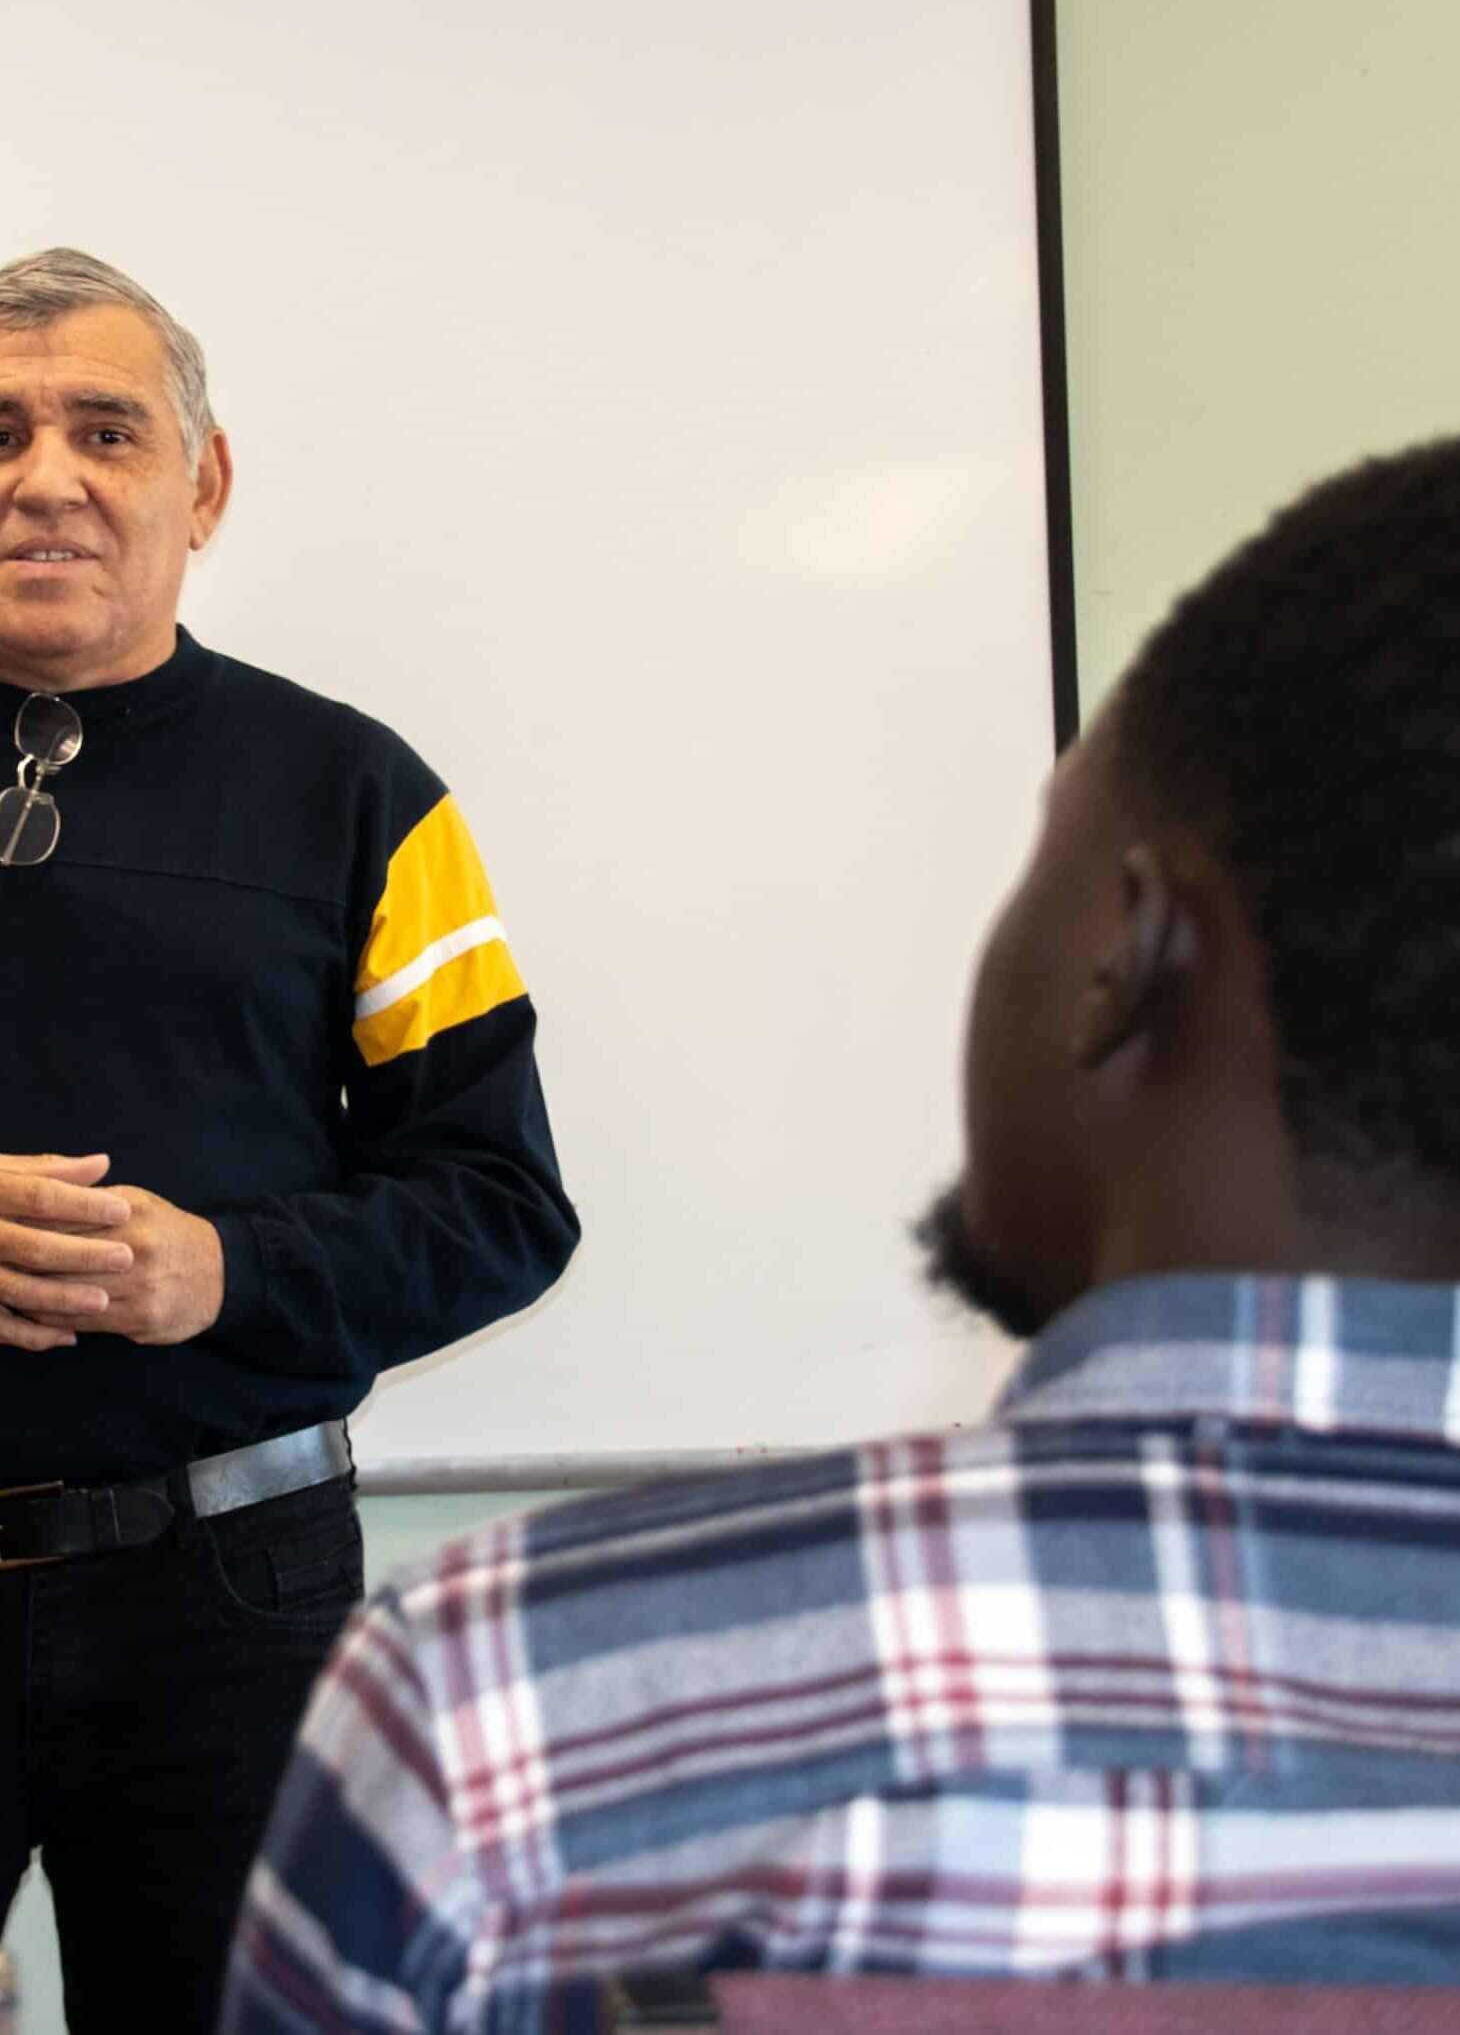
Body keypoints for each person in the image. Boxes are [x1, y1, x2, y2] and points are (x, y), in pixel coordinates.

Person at [223, 436, 1460, 2035]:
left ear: (1127, 954)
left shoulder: (515, 1710)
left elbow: (493, 1194)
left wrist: (234, 1271)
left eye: (1043, 851)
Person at [0, 248, 579, 2033]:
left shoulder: (358, 794)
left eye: (108, 429)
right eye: (0, 433)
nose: (45, 477)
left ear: (205, 481)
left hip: (230, 1600)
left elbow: (501, 1205)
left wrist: (227, 1271)